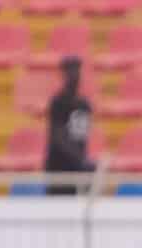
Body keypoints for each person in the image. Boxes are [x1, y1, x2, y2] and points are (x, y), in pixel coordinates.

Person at [44, 56, 95, 195]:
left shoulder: (83, 104)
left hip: (76, 166)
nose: (74, 76)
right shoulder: (58, 103)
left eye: (77, 71)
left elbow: (80, 136)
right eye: (70, 72)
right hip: (58, 165)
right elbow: (58, 136)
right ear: (63, 76)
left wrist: (82, 162)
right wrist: (80, 160)